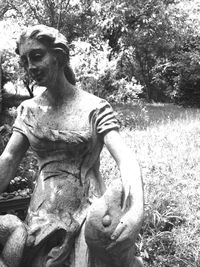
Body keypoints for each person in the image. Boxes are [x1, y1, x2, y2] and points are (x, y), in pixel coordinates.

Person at [0, 24, 144, 267]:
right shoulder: (29, 110)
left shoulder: (94, 107)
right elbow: (8, 159)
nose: (30, 67)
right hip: (43, 213)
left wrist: (136, 209)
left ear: (59, 56)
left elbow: (126, 159)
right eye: (25, 61)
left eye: (36, 56)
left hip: (89, 210)